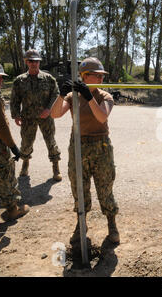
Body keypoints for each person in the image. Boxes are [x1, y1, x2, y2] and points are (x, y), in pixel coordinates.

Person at [50, 57, 119, 244]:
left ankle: (112, 224)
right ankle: (82, 223)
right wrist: (60, 94)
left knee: (105, 187)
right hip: (78, 146)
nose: (102, 79)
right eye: (97, 76)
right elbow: (55, 114)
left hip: (100, 146)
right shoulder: (73, 96)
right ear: (85, 76)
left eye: (102, 76)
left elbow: (101, 117)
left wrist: (89, 97)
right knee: (79, 187)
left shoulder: (105, 97)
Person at [0, 59, 29, 219]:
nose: (1, 80)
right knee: (5, 177)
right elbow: (1, 126)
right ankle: (13, 209)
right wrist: (13, 147)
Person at [10, 49, 62, 181]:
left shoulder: (49, 79)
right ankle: (25, 163)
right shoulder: (19, 81)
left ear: (39, 62)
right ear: (26, 62)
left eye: (36, 61)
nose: (34, 63)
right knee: (26, 144)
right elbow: (15, 99)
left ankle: (56, 167)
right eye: (31, 61)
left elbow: (56, 94)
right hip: (27, 118)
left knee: (51, 141)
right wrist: (16, 115)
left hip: (46, 117)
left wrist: (49, 109)